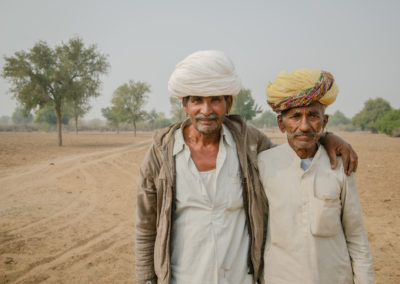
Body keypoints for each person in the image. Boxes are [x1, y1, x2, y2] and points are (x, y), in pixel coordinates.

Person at [135, 51, 358, 284]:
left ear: (228, 103)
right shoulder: (161, 154)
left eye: (215, 100)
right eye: (197, 100)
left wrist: (327, 138)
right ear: (184, 105)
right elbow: (145, 228)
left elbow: (295, 149)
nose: (206, 110)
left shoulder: (249, 144)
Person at [258, 69, 374, 283]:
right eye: (295, 116)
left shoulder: (340, 166)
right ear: (281, 124)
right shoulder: (264, 164)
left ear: (324, 121)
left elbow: (356, 237)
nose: (304, 126)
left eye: (313, 115)